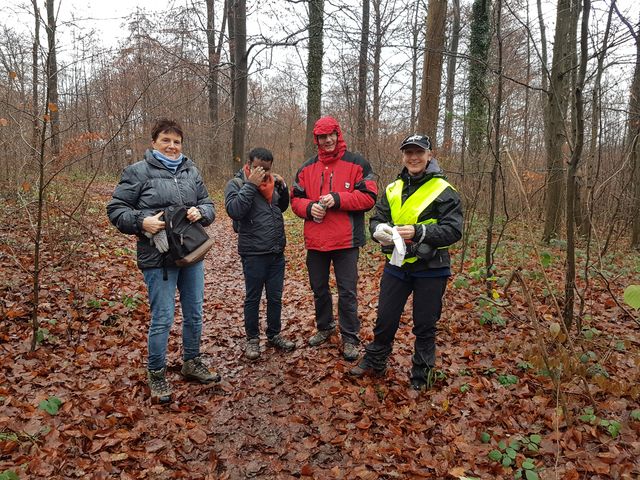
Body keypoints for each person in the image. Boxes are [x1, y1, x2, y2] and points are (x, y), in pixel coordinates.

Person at [107, 118, 220, 404]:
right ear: (154, 142)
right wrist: (141, 221)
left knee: (194, 313)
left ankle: (191, 362)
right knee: (163, 318)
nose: (172, 146)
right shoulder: (137, 172)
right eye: (166, 141)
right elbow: (116, 209)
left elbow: (209, 205)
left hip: (191, 254)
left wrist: (201, 212)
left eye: (177, 142)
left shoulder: (191, 171)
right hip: (157, 258)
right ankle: (156, 372)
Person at [349, 134, 463, 390]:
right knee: (385, 317)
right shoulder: (392, 188)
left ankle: (421, 376)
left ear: (429, 155)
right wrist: (379, 231)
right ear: (403, 156)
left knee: (424, 324)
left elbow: (454, 230)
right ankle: (376, 359)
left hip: (432, 267)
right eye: (408, 153)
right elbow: (377, 219)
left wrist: (419, 232)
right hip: (397, 264)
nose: (413, 157)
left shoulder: (445, 191)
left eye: (419, 152)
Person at [291, 116, 378, 361]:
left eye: (332, 135)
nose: (328, 140)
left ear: (338, 135)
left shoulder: (357, 163)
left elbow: (370, 197)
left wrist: (339, 199)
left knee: (347, 291)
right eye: (322, 136)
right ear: (316, 139)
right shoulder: (306, 168)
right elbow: (295, 199)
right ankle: (325, 327)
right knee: (319, 289)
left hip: (346, 242)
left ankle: (350, 337)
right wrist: (309, 208)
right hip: (316, 242)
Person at [224, 147, 295, 361]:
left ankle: (274, 334)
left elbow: (281, 208)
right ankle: (252, 339)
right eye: (258, 168)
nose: (262, 172)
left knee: (275, 297)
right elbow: (235, 210)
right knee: (253, 298)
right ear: (249, 163)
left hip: (276, 251)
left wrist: (282, 188)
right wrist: (251, 185)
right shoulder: (236, 184)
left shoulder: (271, 183)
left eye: (266, 169)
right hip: (253, 253)